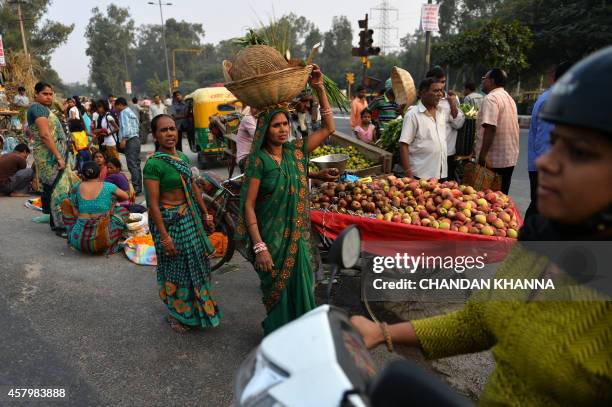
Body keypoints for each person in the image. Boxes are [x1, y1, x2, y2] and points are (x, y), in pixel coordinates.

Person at [351, 47, 612, 406]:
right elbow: (479, 322)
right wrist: (381, 333)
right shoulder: (540, 242)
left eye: (579, 152)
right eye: (554, 144)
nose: (548, 162)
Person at [236, 64, 336, 335]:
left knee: (303, 284)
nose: (282, 130)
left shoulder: (295, 152)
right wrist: (260, 247)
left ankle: (301, 338)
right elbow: (248, 205)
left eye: (284, 124)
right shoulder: (259, 161)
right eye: (276, 125)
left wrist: (319, 88)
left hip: (297, 236)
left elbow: (328, 128)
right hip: (272, 238)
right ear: (265, 130)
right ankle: (281, 339)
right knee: (277, 292)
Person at [144, 114, 220, 333]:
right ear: (156, 135)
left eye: (172, 129)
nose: (170, 134)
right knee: (176, 268)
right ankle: (177, 313)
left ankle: (197, 310)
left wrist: (205, 213)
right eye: (164, 130)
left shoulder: (183, 159)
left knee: (198, 261)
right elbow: (153, 205)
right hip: (170, 223)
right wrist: (165, 237)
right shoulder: (154, 165)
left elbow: (194, 188)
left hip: (190, 217)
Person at [525, 62, 573, 219]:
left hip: (544, 167)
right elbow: (545, 141)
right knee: (540, 211)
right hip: (544, 169)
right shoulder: (553, 100)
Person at [28, 82, 72, 235]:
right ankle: (60, 226)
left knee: (59, 188)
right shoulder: (37, 108)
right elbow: (45, 135)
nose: (48, 97)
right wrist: (59, 156)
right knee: (58, 190)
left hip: (53, 155)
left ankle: (57, 222)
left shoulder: (45, 109)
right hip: (50, 157)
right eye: (45, 94)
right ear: (36, 94)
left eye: (50, 94)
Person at [62, 161, 129, 255]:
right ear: (100, 174)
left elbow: (76, 214)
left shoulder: (76, 188)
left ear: (83, 175)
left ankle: (70, 235)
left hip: (78, 241)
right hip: (102, 242)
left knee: (66, 203)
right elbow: (126, 196)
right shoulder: (108, 186)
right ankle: (109, 238)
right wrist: (112, 202)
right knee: (123, 211)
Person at [475, 68, 520, 194]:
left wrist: (482, 156)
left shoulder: (491, 99)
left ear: (492, 81)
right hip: (509, 159)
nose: (482, 82)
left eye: (484, 79)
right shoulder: (509, 98)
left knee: (489, 200)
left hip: (493, 161)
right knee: (502, 200)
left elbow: (490, 128)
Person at [399, 78, 447, 180]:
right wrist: (409, 174)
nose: (440, 94)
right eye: (435, 91)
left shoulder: (441, 112)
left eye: (441, 90)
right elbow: (404, 145)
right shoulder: (412, 115)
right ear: (423, 93)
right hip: (420, 176)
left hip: (440, 174)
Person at [426, 66, 465, 181]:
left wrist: (452, 104)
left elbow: (458, 124)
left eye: (443, 82)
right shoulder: (423, 101)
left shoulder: (451, 99)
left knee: (446, 188)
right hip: (429, 154)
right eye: (436, 82)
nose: (440, 86)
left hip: (447, 154)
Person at [115, 97, 142, 194]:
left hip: (130, 140)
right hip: (136, 139)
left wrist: (123, 139)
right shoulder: (131, 111)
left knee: (132, 165)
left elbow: (126, 127)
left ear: (120, 105)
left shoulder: (123, 113)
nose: (116, 108)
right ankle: (139, 187)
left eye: (116, 106)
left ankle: (135, 187)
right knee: (137, 164)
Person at [236, 106, 258, 172]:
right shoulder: (248, 118)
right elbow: (258, 136)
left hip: (252, 156)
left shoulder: (256, 119)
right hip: (245, 158)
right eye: (256, 106)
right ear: (251, 107)